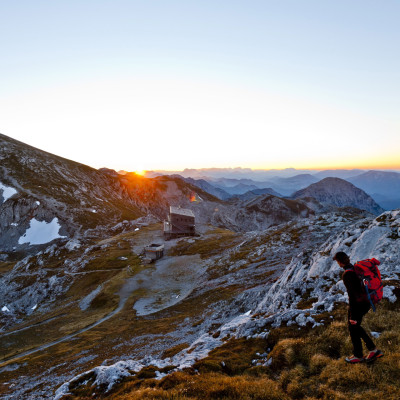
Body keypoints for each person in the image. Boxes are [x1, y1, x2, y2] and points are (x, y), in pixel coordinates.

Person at [333, 251, 384, 363]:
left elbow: (353, 296)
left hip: (359, 304)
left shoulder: (347, 274)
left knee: (353, 326)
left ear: (339, 262)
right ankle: (370, 351)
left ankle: (362, 354)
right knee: (355, 327)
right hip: (366, 302)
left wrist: (353, 315)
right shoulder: (355, 268)